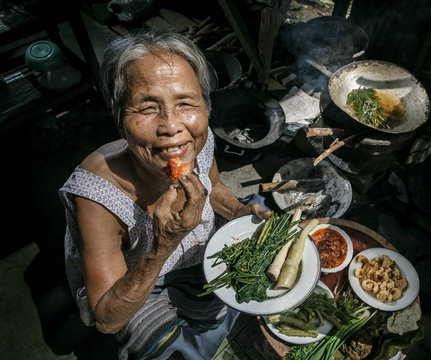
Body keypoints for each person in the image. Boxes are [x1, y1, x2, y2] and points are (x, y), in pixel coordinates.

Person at [58, 30, 271, 360]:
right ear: (119, 122)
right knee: (165, 346)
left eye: (186, 103)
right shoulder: (97, 195)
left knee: (262, 237)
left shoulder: (196, 140)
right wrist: (163, 244)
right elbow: (108, 319)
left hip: (197, 256)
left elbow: (214, 188)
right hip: (142, 282)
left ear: (205, 107)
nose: (171, 126)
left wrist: (236, 210)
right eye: (146, 108)